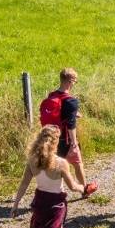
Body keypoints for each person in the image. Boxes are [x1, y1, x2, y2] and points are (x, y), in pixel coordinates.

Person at [11, 125, 87, 228]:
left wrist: (16, 203)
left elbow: (24, 184)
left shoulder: (32, 161)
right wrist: (84, 188)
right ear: (55, 142)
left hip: (40, 203)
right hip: (56, 205)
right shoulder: (60, 163)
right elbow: (73, 186)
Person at [44, 68, 97, 196]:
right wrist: (74, 144)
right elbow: (71, 125)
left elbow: (59, 115)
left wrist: (74, 113)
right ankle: (85, 190)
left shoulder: (52, 96)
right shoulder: (71, 100)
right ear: (70, 81)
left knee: (55, 165)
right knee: (78, 164)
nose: (74, 84)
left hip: (51, 137)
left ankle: (54, 192)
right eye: (75, 81)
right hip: (66, 140)